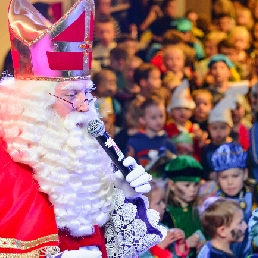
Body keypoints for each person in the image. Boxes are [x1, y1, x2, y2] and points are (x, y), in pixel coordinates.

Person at [0, 0, 166, 257]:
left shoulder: (88, 142)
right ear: (37, 103)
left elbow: (114, 241)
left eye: (86, 93)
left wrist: (121, 194)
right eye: (71, 94)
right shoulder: (7, 157)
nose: (83, 105)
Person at [211, 142, 254, 257]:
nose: (230, 182)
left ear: (245, 174)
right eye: (224, 177)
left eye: (235, 176)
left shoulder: (253, 197)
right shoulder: (216, 202)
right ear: (217, 178)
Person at [162, 155, 205, 258]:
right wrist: (186, 245)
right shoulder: (166, 214)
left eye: (196, 185)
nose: (193, 190)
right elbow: (163, 248)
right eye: (187, 185)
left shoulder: (198, 209)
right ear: (171, 185)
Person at [140, 181, 189, 258]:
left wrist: (180, 245)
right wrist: (160, 248)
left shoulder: (162, 229)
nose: (164, 206)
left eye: (162, 201)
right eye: (158, 203)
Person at [126, 97, 176, 169]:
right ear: (142, 120)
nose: (159, 121)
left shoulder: (168, 143)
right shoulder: (134, 141)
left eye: (161, 116)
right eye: (153, 117)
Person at [201, 96, 236, 180]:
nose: (218, 131)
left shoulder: (235, 148)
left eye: (223, 127)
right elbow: (203, 168)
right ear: (208, 128)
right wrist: (209, 175)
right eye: (214, 128)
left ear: (230, 128)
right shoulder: (207, 149)